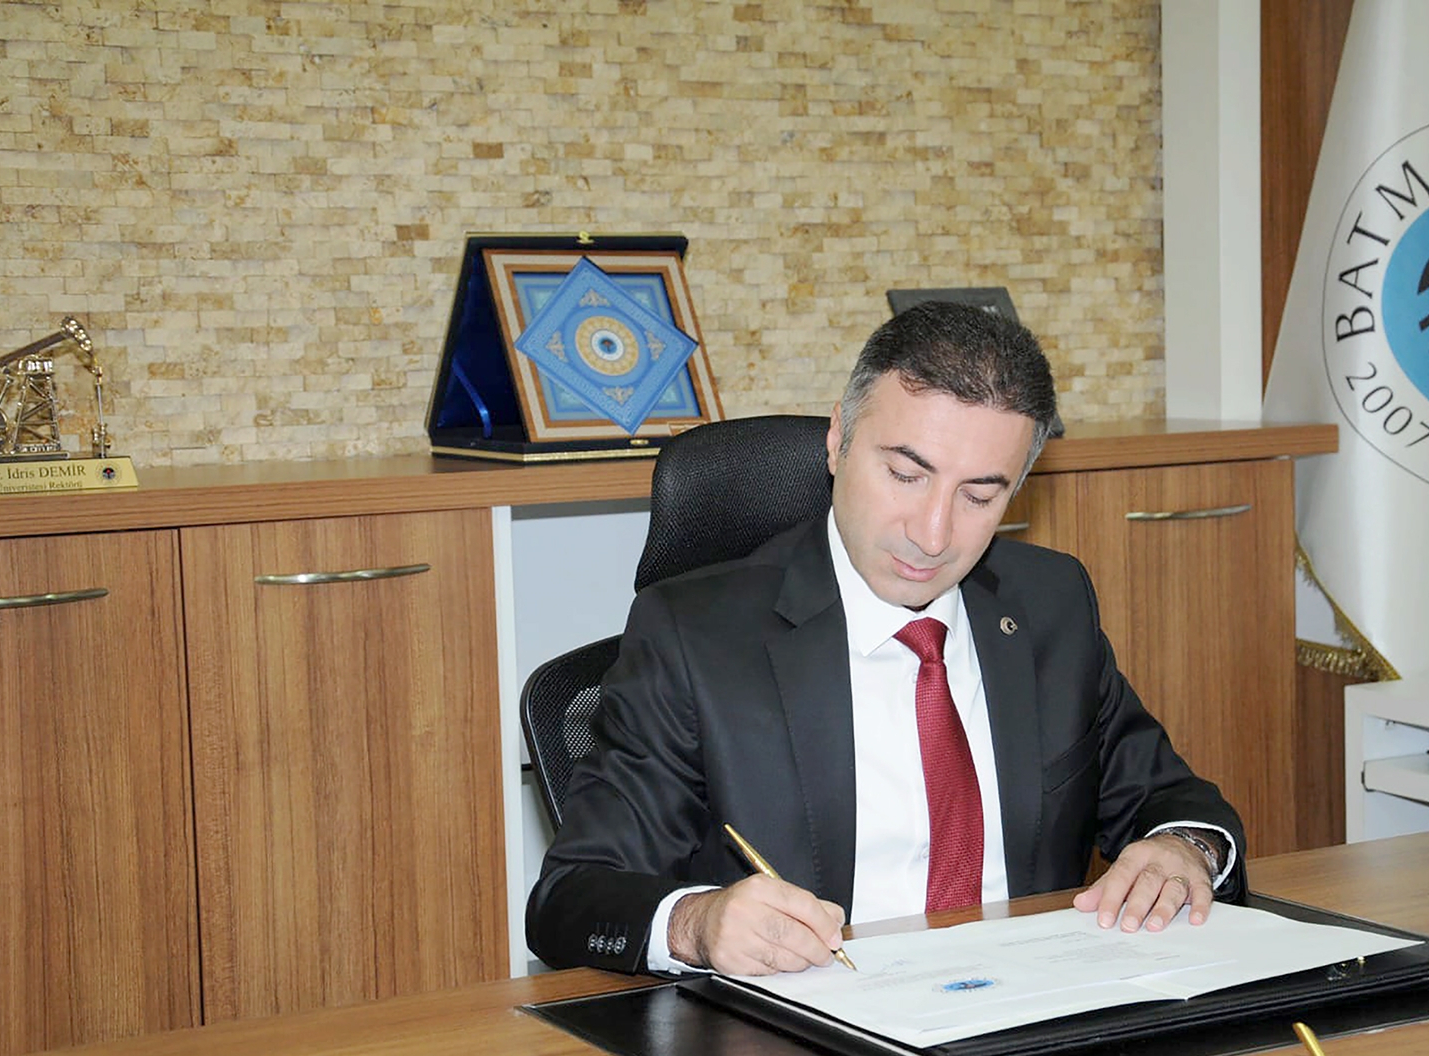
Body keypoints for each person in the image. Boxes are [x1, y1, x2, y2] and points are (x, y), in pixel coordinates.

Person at [526, 301, 1246, 976]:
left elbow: (1170, 798)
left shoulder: (1049, 604)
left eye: (979, 495)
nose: (932, 534)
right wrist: (697, 922)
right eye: (906, 474)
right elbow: (570, 896)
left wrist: (1182, 847)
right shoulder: (692, 637)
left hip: (1030, 1004)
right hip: (814, 1025)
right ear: (837, 440)